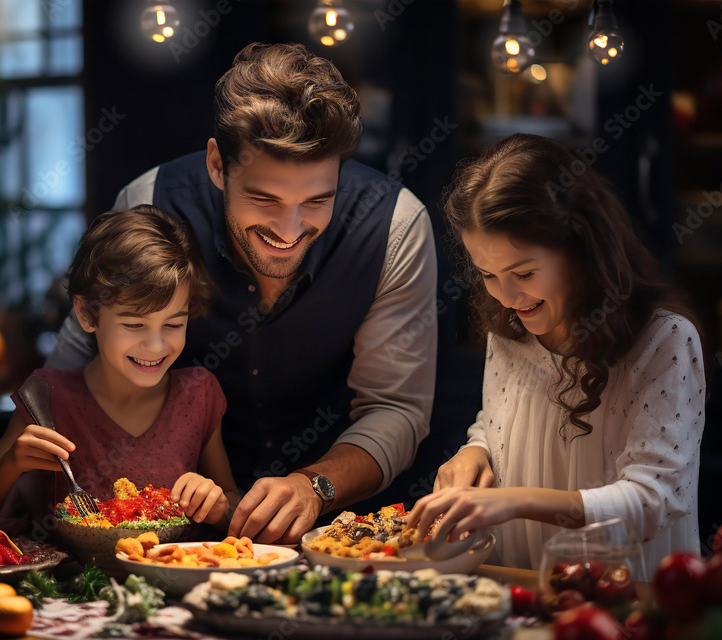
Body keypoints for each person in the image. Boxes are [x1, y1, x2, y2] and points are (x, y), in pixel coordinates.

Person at [44, 42, 438, 544]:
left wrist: (315, 485)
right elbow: (67, 373)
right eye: (263, 198)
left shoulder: (395, 228)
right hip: (170, 534)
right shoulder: (150, 201)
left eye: (318, 200)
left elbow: (396, 408)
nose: (290, 229)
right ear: (216, 164)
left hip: (335, 537)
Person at [407, 134, 704, 578]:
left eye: (523, 273)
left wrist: (511, 502)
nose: (506, 297)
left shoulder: (664, 342)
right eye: (487, 274)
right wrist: (477, 452)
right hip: (518, 587)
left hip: (627, 604)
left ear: (581, 250)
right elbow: (500, 423)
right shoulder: (510, 330)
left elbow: (652, 500)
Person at [0, 206, 237, 533]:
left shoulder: (197, 395)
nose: (156, 346)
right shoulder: (47, 398)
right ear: (88, 314)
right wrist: (11, 464)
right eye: (134, 324)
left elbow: (230, 505)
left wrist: (217, 505)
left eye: (174, 324)